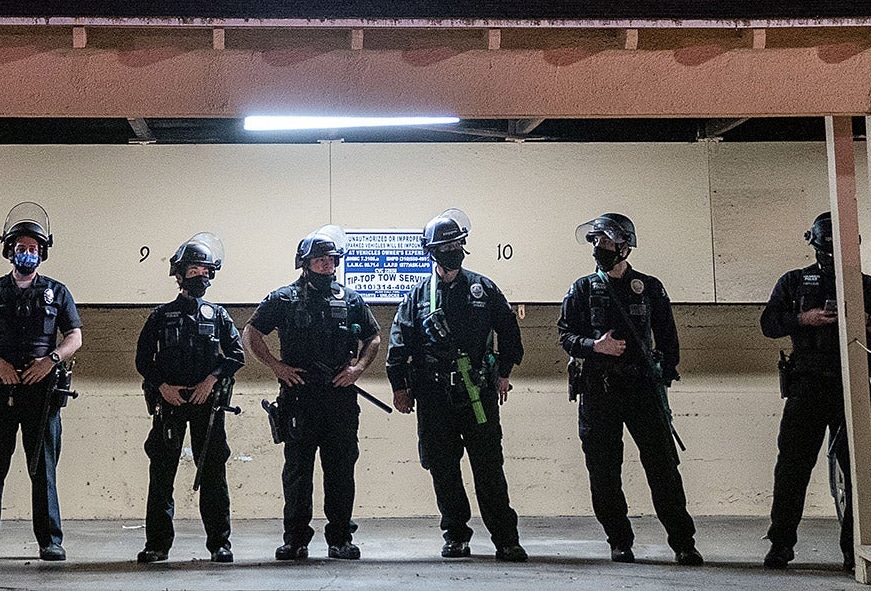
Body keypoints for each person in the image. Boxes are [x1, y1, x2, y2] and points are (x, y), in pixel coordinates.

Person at [559, 212, 702, 566]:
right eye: (595, 242)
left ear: (625, 245)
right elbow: (566, 336)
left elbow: (668, 336)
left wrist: (663, 376)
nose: (599, 248)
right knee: (604, 471)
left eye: (606, 241)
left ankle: (683, 542)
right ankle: (619, 540)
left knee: (663, 468)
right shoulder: (581, 289)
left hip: (641, 390)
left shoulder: (649, 287)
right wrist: (595, 346)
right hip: (598, 391)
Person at [387, 209, 527, 561]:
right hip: (434, 396)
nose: (452, 251)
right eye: (445, 246)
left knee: (489, 467)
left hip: (477, 393)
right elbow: (398, 343)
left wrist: (504, 372)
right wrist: (399, 387)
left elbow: (509, 332)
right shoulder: (419, 297)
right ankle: (455, 534)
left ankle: (506, 538)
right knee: (443, 468)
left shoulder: (483, 288)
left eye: (457, 244)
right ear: (431, 252)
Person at [243, 224, 381, 560]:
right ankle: (295, 540)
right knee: (297, 474)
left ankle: (340, 539)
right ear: (305, 262)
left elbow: (374, 338)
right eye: (320, 259)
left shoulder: (350, 299)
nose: (327, 264)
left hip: (339, 400)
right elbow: (250, 332)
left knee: (340, 472)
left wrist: (358, 369)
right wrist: (276, 366)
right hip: (300, 399)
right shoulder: (283, 299)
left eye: (331, 259)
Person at [0, 202, 82, 562]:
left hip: (42, 390)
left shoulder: (57, 292)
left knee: (42, 467)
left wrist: (51, 361)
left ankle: (50, 541)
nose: (26, 253)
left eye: (32, 248)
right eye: (21, 247)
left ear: (41, 252)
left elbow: (74, 336)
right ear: (9, 251)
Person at [761, 211, 871, 571]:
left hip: (851, 384)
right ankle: (781, 545)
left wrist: (870, 325)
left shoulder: (868, 285)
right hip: (807, 386)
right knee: (792, 469)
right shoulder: (794, 282)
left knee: (858, 470)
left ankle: (853, 549)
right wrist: (803, 319)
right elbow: (768, 324)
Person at [134, 232, 245, 564]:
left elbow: (236, 356)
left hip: (206, 404)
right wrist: (162, 386)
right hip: (169, 403)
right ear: (180, 274)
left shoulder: (219, 315)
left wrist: (211, 381)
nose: (202, 275)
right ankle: (157, 544)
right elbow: (143, 361)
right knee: (162, 473)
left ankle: (219, 544)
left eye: (206, 270)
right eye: (195, 269)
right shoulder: (160, 315)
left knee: (212, 473)